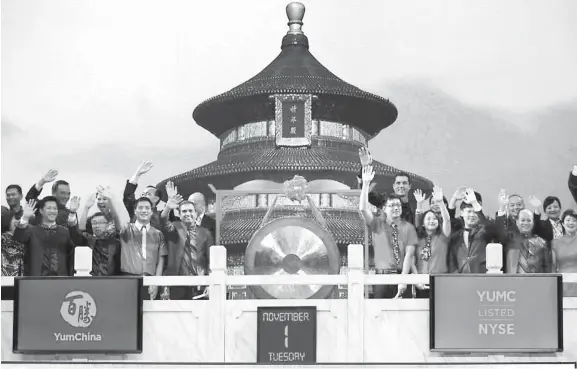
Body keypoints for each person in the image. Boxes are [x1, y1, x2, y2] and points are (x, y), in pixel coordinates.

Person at [359, 165, 417, 299]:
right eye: (392, 205)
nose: (396, 208)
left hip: (402, 276)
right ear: (384, 208)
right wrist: (366, 183)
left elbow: (409, 256)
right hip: (382, 278)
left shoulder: (409, 227)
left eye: (398, 205)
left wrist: (403, 280)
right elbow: (363, 209)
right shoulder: (377, 223)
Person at [101, 185, 166, 299]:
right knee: (128, 315)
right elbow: (118, 220)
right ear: (135, 211)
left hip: (150, 281)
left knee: (148, 316)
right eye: (140, 208)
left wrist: (156, 282)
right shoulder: (127, 229)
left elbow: (161, 260)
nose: (144, 210)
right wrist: (111, 200)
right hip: (128, 280)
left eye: (147, 208)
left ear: (152, 212)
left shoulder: (158, 234)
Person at [161, 182, 214, 300]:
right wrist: (168, 207)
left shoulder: (206, 233)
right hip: (177, 282)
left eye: (191, 211)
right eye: (184, 211)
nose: (188, 214)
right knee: (179, 317)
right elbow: (163, 220)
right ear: (179, 215)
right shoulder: (174, 228)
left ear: (196, 214)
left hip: (199, 282)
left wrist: (211, 283)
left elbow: (211, 260)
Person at [399, 186, 451, 298]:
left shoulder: (444, 236)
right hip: (421, 282)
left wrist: (441, 202)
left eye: (434, 219)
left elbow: (446, 219)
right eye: (428, 219)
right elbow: (412, 260)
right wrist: (417, 279)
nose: (431, 221)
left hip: (440, 280)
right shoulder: (418, 238)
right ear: (423, 223)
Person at [13, 198, 77, 276]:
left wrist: (73, 213)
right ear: (41, 211)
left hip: (61, 279)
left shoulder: (65, 232)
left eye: (55, 208)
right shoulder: (32, 231)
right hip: (36, 279)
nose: (52, 211)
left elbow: (77, 240)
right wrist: (25, 218)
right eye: (49, 208)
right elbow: (18, 238)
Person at [447, 189, 494, 274]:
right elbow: (451, 260)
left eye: (474, 212)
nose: (472, 215)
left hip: (482, 278)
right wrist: (454, 199)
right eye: (469, 211)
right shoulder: (456, 235)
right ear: (462, 213)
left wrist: (475, 203)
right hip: (460, 280)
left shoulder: (484, 231)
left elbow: (488, 227)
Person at [70, 211, 121, 276]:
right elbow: (75, 234)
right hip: (90, 281)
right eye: (94, 223)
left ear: (108, 225)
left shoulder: (116, 243)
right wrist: (72, 213)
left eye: (101, 222)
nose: (97, 226)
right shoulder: (87, 239)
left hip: (110, 281)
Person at [123, 161, 163, 229]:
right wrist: (137, 174)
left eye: (148, 194)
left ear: (156, 198)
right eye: (142, 194)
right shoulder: (135, 211)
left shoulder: (162, 216)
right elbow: (128, 195)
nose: (143, 196)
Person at [552, 209, 577, 296]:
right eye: (568, 220)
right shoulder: (555, 243)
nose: (571, 223)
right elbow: (553, 268)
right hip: (563, 283)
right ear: (562, 223)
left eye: (574, 220)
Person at [1, 206, 25, 276]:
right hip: (4, 279)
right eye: (14, 219)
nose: (17, 221)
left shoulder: (19, 238)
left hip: (18, 277)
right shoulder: (3, 238)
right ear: (7, 221)